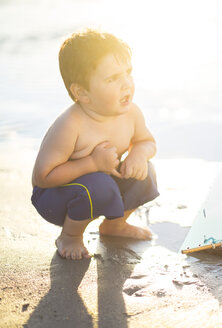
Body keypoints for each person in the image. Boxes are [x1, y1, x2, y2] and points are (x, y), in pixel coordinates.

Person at [31, 29, 159, 260]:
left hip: (101, 187)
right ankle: (70, 236)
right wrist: (91, 162)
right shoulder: (70, 124)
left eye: (127, 73)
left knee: (146, 171)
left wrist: (138, 155)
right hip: (56, 198)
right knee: (98, 183)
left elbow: (147, 142)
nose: (126, 84)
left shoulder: (131, 113)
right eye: (112, 79)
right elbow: (42, 177)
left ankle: (115, 225)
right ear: (82, 92)